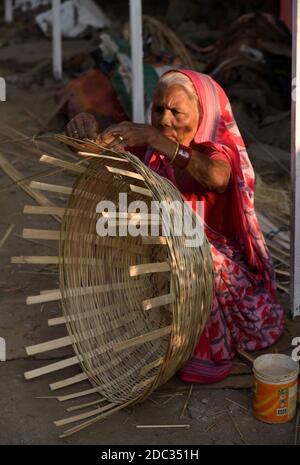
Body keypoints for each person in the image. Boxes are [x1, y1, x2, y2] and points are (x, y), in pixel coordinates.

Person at [66, 69, 285, 383]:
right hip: (165, 253)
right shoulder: (150, 147)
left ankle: (201, 348)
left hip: (214, 264)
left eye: (176, 111)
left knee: (195, 255)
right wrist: (82, 133)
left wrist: (158, 140)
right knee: (118, 231)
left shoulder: (216, 151)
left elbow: (217, 178)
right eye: (159, 110)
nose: (165, 120)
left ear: (202, 115)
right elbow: (97, 151)